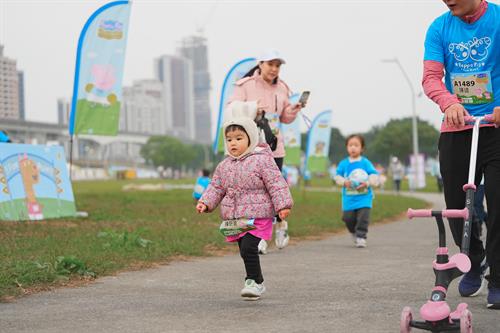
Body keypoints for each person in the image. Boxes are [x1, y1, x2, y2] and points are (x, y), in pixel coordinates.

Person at [423, 0, 500, 309]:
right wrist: (448, 102)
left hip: (495, 126)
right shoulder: (439, 27)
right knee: (456, 206)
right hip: (457, 127)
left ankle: (498, 277)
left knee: (497, 203)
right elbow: (431, 77)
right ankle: (472, 257)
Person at [196, 110, 293, 300]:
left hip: (259, 215)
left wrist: (283, 205)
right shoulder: (224, 166)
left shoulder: (262, 160)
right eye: (230, 139)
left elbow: (276, 183)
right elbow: (216, 187)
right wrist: (205, 203)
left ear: (251, 139)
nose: (233, 143)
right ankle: (258, 280)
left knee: (249, 248)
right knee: (244, 250)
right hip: (237, 217)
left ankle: (253, 282)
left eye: (239, 138)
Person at [228, 49, 304, 252]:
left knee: (274, 191)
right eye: (270, 64)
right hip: (250, 148)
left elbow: (285, 117)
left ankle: (280, 224)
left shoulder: (283, 88)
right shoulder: (245, 85)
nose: (274, 69)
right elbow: (231, 107)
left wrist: (293, 110)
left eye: (278, 65)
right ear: (260, 63)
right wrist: (253, 108)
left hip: (274, 148)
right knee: (256, 193)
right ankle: (259, 235)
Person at [334, 134, 379, 248]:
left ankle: (361, 236)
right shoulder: (344, 163)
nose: (353, 148)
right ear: (347, 147)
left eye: (356, 145)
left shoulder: (365, 162)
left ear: (362, 148)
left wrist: (367, 183)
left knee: (363, 217)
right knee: (347, 218)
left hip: (364, 197)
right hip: (349, 198)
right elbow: (337, 177)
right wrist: (344, 182)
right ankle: (353, 232)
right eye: (350, 145)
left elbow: (374, 175)